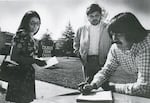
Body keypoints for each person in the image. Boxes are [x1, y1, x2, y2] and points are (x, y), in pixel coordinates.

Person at [79, 12, 150, 98]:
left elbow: (144, 88)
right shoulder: (115, 48)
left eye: (119, 34)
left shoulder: (146, 45)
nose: (114, 39)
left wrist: (112, 87)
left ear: (132, 32)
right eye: (112, 34)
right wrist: (93, 85)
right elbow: (106, 71)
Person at [5, 10, 46, 103]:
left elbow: (29, 56)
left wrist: (36, 60)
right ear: (26, 22)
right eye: (32, 23)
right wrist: (34, 60)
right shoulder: (21, 34)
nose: (35, 26)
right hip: (19, 76)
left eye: (38, 23)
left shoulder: (31, 37)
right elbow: (14, 57)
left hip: (28, 75)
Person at [73, 3, 112, 90]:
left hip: (103, 61)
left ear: (101, 15)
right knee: (88, 86)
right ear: (87, 17)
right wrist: (79, 53)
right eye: (91, 16)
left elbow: (114, 42)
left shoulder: (108, 27)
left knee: (105, 87)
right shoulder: (81, 29)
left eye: (96, 15)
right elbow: (76, 42)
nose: (94, 18)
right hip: (88, 61)